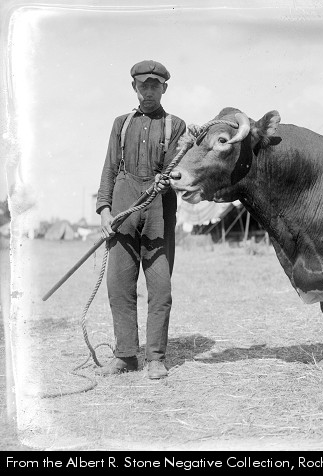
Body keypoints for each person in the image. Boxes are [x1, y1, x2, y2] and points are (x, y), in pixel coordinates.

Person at [95, 60, 186, 379]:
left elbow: (177, 167)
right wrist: (104, 209)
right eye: (143, 85)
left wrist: (168, 178)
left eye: (154, 86)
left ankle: (156, 358)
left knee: (160, 288)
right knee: (119, 285)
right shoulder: (120, 124)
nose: (148, 91)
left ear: (164, 88)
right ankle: (125, 356)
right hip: (124, 207)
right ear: (134, 87)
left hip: (159, 208)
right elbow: (109, 168)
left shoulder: (176, 125)